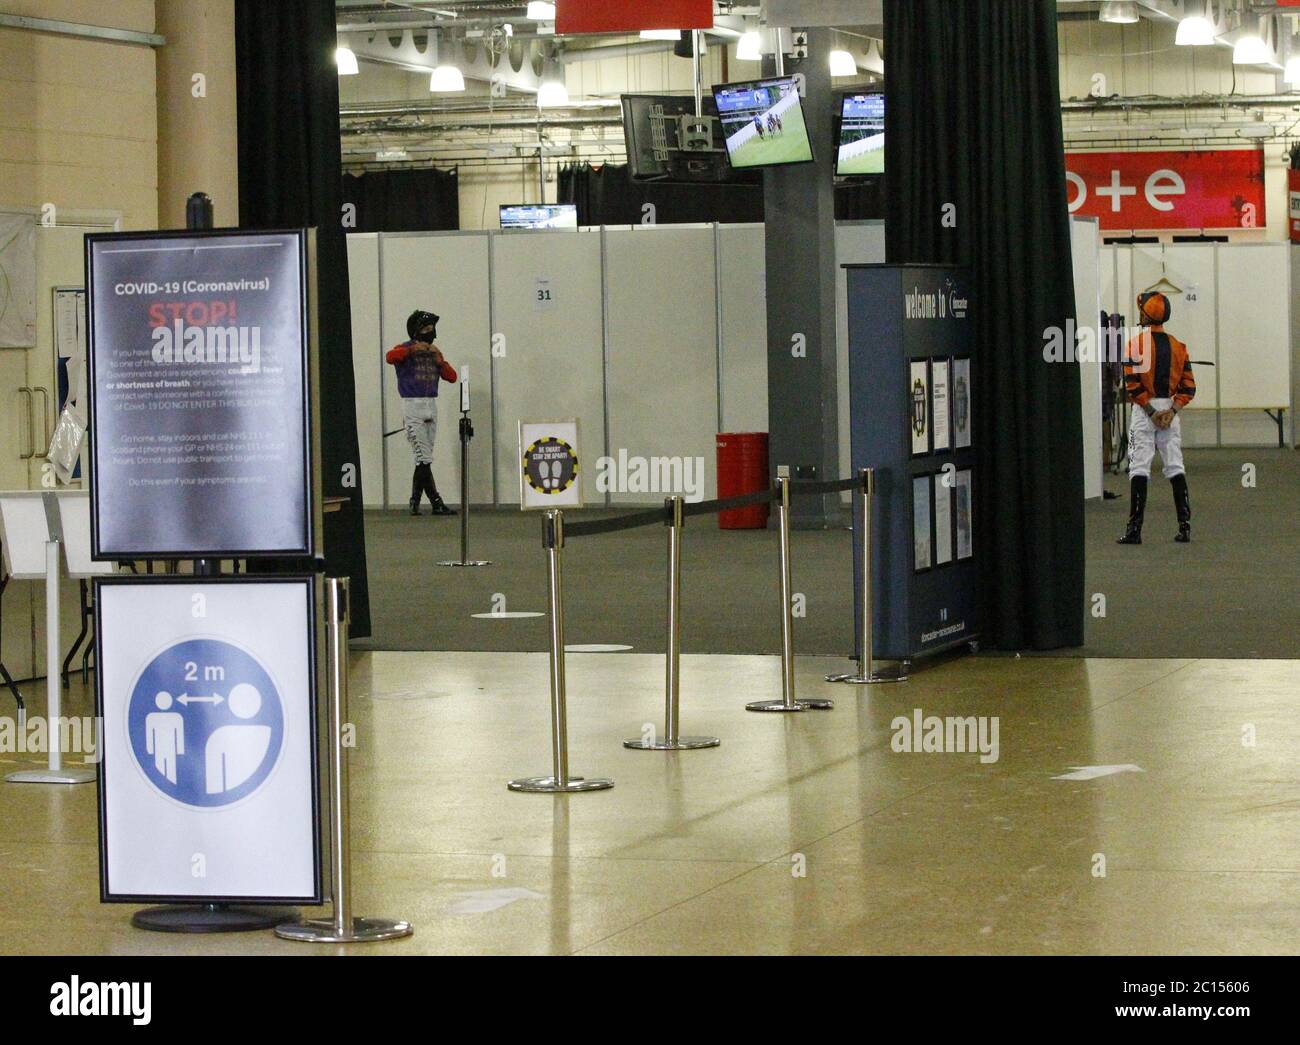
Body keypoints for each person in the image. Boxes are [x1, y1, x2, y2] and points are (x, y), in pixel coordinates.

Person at [1117, 291, 1197, 545]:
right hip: (1170, 411)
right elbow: (1189, 388)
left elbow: (1131, 384)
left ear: (1145, 314)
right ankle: (1185, 527)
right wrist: (1171, 412)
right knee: (1175, 465)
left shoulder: (1134, 344)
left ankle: (1134, 530)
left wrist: (1151, 413)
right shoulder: (1180, 346)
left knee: (1139, 466)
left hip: (1144, 412)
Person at [387, 310, 458, 516]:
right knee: (424, 457)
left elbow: (451, 377)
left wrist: (439, 360)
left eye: (432, 329)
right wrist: (411, 350)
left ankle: (415, 500)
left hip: (431, 405)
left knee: (423, 459)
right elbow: (390, 357)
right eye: (426, 329)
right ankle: (436, 501)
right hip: (412, 405)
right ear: (416, 331)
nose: (431, 333)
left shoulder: (435, 352)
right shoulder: (405, 348)